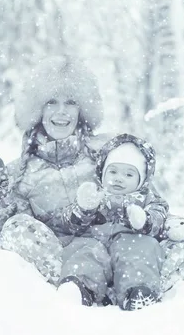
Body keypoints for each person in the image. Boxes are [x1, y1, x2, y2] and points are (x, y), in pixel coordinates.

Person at [0, 55, 184, 297]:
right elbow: (12, 232)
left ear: (82, 109)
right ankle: (78, 286)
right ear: (38, 109)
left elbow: (146, 195)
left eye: (70, 102)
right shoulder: (20, 172)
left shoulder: (107, 150)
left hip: (126, 247)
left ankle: (139, 286)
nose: (62, 112)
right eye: (52, 102)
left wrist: (144, 219)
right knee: (15, 228)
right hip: (69, 258)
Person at [55, 133, 166, 310]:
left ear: (142, 179)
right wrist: (84, 209)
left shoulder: (147, 198)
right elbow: (69, 223)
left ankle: (138, 291)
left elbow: (159, 217)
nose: (118, 178)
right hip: (95, 239)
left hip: (130, 240)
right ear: (102, 172)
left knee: (141, 251)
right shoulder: (93, 193)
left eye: (129, 174)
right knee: (84, 252)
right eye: (113, 171)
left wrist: (144, 221)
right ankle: (79, 286)